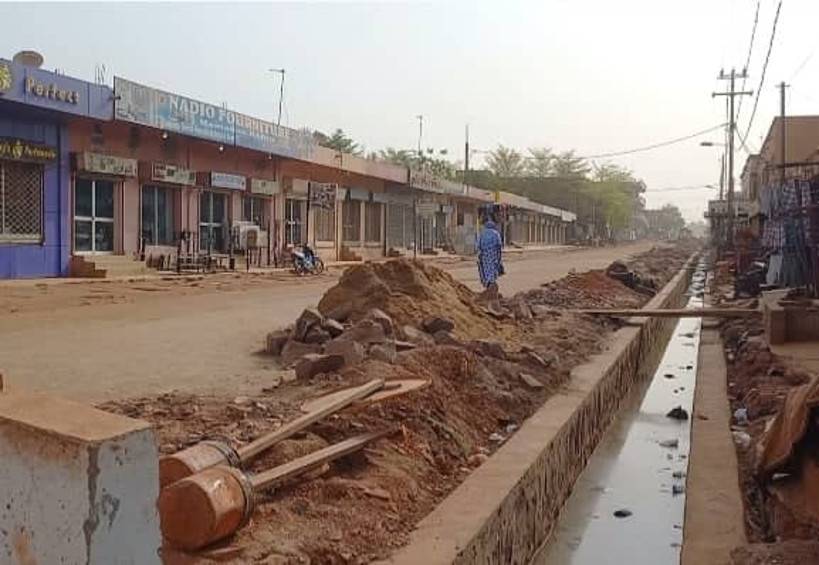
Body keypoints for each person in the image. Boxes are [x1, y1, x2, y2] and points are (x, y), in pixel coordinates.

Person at [477, 218, 503, 293]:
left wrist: (480, 253)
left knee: (486, 268)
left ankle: (488, 282)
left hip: (485, 255)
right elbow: (499, 245)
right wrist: (499, 256)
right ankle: (491, 282)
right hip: (493, 254)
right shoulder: (496, 233)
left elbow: (478, 245)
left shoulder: (482, 233)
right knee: (493, 268)